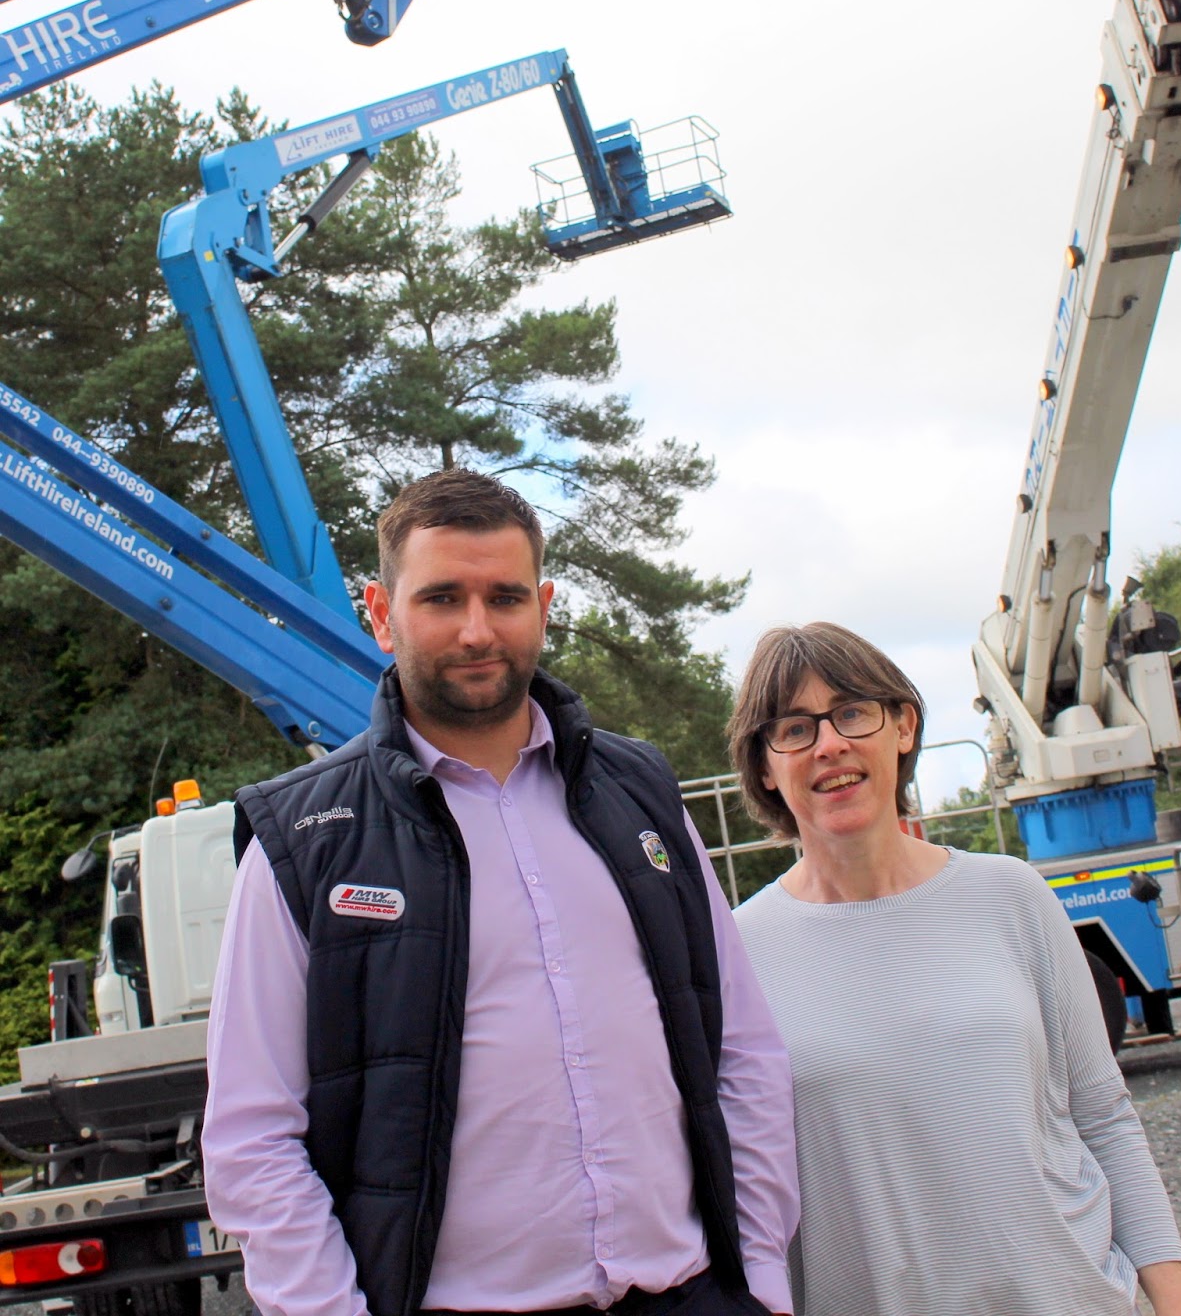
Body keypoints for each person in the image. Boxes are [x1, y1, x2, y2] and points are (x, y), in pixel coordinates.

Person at [204, 470, 799, 1316]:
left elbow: (742, 1051)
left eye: (505, 598)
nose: (477, 630)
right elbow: (251, 1139)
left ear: (544, 607)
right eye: (442, 597)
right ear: (380, 613)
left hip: (688, 1294)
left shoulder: (640, 791)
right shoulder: (305, 839)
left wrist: (761, 1281)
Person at [728, 622, 1181, 1316]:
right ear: (765, 766)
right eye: (794, 729)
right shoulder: (739, 953)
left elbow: (1104, 1116)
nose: (830, 744)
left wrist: (1178, 1305)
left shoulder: (1011, 896)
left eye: (853, 713)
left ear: (904, 727)